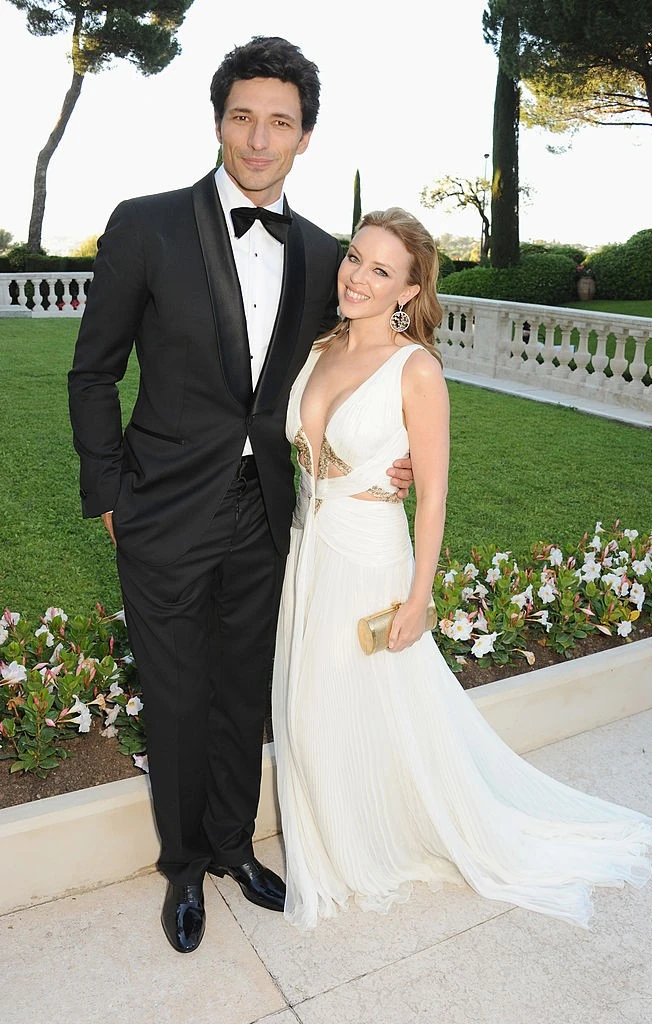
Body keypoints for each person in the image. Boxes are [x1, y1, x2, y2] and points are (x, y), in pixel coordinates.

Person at [67, 37, 413, 954]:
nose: (259, 139)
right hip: (159, 508)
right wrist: (109, 493)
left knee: (240, 691)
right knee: (176, 696)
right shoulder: (146, 225)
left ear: (305, 136)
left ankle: (232, 846)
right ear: (219, 122)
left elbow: (365, 365)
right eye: (243, 118)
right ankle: (184, 867)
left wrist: (395, 454)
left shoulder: (326, 254)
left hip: (269, 512)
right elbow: (93, 372)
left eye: (280, 123)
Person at [272, 207, 652, 931]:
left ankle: (365, 846)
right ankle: (336, 834)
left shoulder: (416, 369)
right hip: (309, 549)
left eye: (381, 270)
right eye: (355, 257)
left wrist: (418, 597)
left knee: (351, 700)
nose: (357, 277)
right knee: (311, 705)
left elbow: (433, 492)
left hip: (370, 554)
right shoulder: (319, 346)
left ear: (409, 290)